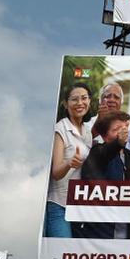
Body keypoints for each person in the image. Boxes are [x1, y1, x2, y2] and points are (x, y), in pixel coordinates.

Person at [79, 112, 130, 240]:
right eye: (116, 130)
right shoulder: (97, 152)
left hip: (127, 229)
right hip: (100, 229)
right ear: (105, 136)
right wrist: (118, 143)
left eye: (124, 128)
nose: (122, 132)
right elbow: (105, 154)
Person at [46, 83, 93, 238]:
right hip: (59, 206)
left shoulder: (87, 132)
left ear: (90, 101)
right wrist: (69, 163)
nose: (80, 103)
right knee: (60, 257)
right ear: (66, 104)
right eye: (74, 99)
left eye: (84, 98)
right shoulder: (60, 129)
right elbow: (56, 173)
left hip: (79, 207)